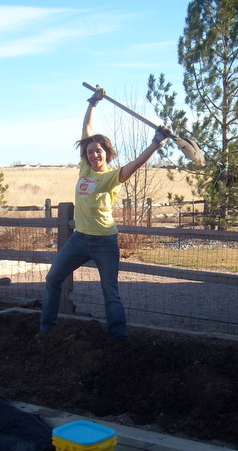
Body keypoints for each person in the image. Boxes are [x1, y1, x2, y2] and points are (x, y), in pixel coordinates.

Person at [39, 87, 170, 340]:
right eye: (90, 151)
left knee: (110, 291)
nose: (93, 154)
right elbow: (86, 133)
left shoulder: (111, 177)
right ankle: (47, 329)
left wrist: (156, 142)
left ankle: (118, 339)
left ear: (106, 153)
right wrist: (93, 104)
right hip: (79, 239)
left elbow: (136, 164)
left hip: (104, 242)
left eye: (98, 151)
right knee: (53, 278)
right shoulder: (84, 171)